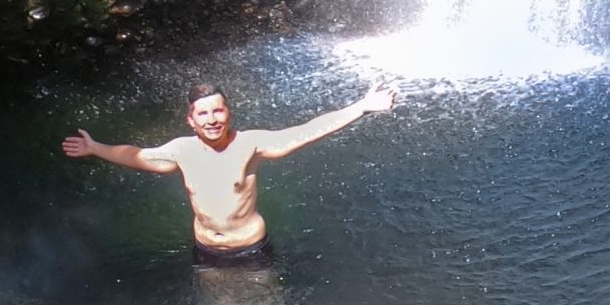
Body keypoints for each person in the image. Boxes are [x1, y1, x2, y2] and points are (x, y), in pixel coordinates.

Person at [61, 79, 396, 264]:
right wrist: (95, 148)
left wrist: (361, 107)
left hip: (250, 251)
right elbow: (137, 156)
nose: (212, 120)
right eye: (203, 114)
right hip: (205, 250)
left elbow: (307, 131)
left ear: (228, 113)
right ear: (191, 120)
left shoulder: (251, 145)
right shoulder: (182, 151)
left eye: (218, 111)